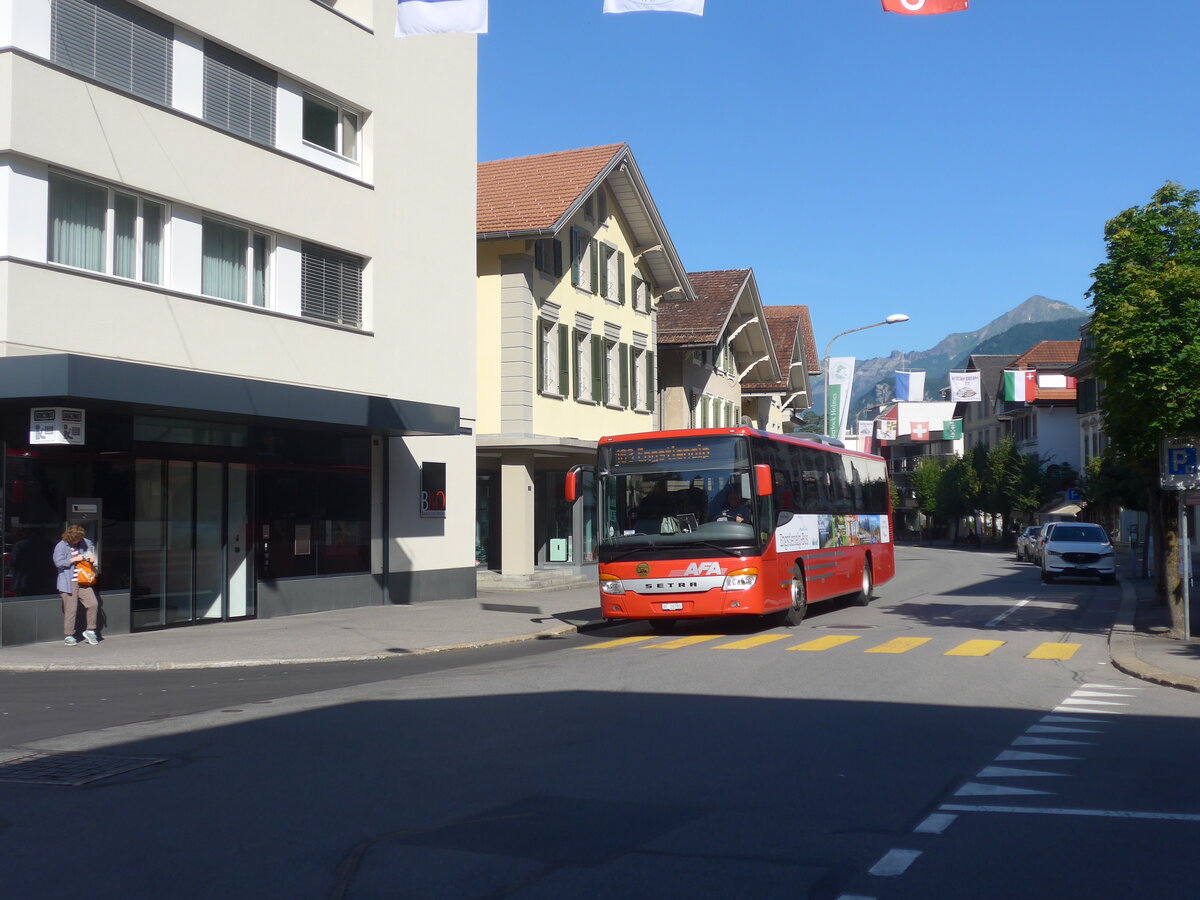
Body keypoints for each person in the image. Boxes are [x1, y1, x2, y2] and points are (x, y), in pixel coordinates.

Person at [53, 525, 99, 646]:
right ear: (70, 537)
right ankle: (69, 635)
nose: (79, 541)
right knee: (71, 609)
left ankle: (90, 630)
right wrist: (74, 559)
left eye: (80, 538)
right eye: (76, 539)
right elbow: (58, 563)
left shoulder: (85, 542)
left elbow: (91, 548)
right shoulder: (61, 546)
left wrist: (91, 556)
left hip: (83, 580)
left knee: (93, 603)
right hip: (69, 582)